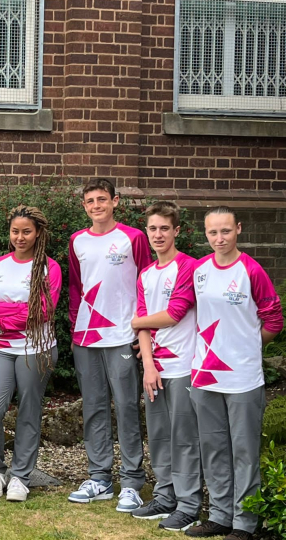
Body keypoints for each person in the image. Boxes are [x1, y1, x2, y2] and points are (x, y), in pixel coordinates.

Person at [185, 207, 283, 540]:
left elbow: (274, 320)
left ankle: (244, 524)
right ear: (205, 233)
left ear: (238, 229)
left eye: (225, 231)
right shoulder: (199, 270)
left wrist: (246, 347)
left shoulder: (251, 271)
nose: (219, 238)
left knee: (244, 452)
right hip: (204, 375)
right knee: (213, 449)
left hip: (242, 377)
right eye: (213, 232)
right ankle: (220, 516)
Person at [67, 178, 151, 512]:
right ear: (84, 206)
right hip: (86, 337)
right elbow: (76, 286)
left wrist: (142, 331)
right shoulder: (77, 241)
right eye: (90, 201)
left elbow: (148, 281)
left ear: (115, 201)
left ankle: (131, 481)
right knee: (94, 407)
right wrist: (76, 325)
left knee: (127, 407)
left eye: (102, 199)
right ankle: (99, 477)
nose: (96, 205)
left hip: (122, 335)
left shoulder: (133, 237)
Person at [0, 205, 62, 502]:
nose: (20, 237)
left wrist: (3, 321)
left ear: (38, 232)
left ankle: (20, 477)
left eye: (27, 231)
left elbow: (44, 311)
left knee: (28, 412)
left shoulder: (49, 268)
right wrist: (20, 312)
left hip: (35, 350)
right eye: (16, 231)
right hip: (1, 349)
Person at [130, 202, 202, 531]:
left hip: (185, 366)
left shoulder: (189, 267)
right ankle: (164, 496)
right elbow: (143, 326)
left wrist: (135, 321)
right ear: (147, 232)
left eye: (164, 228)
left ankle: (188, 504)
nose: (158, 235)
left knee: (183, 437)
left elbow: (174, 313)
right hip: (154, 369)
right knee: (158, 435)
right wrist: (147, 365)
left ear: (176, 231)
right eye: (153, 229)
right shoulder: (146, 273)